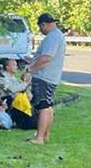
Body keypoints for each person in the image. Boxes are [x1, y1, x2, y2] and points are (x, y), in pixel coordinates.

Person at [24, 13, 66, 144]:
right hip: (51, 76)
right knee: (48, 105)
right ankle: (45, 135)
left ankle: (39, 137)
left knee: (42, 106)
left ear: (43, 24)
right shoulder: (58, 35)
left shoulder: (52, 37)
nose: (40, 31)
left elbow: (46, 57)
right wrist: (32, 59)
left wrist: (30, 69)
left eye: (40, 27)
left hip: (44, 77)